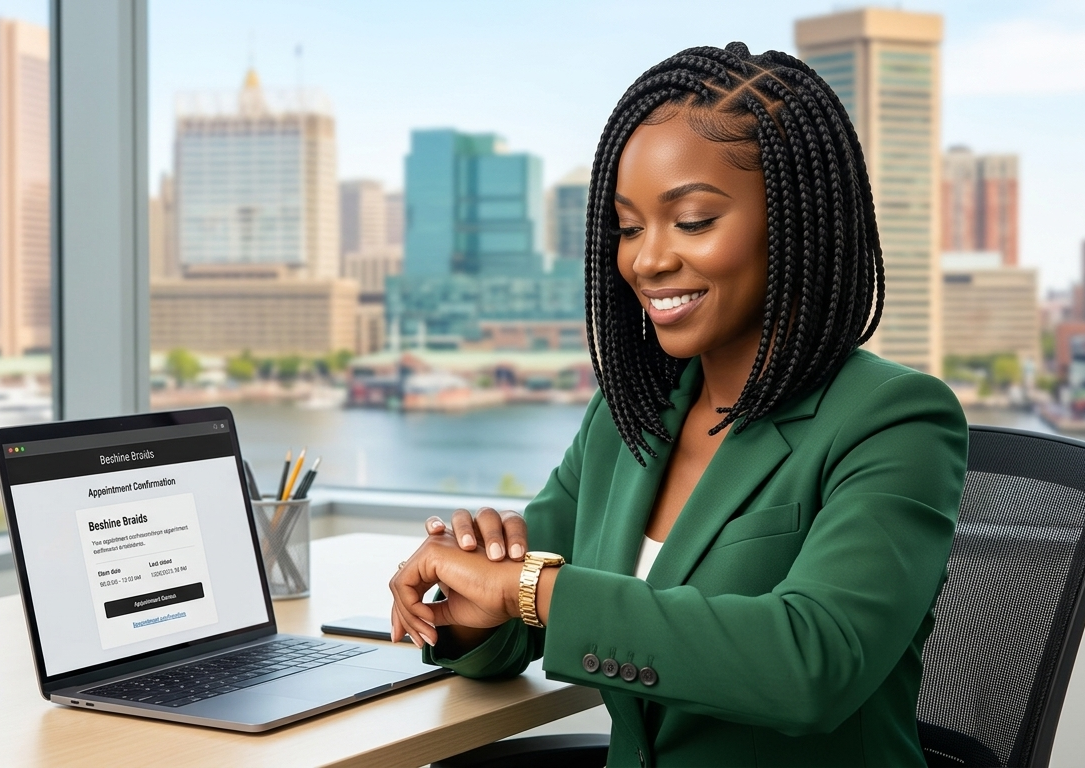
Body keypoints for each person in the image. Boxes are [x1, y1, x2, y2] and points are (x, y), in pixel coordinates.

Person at [389, 43, 967, 767]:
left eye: (692, 220)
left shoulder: (896, 419)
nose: (647, 260)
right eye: (629, 227)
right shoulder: (629, 415)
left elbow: (812, 665)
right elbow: (519, 616)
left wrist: (528, 590)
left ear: (797, 223)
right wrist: (470, 610)